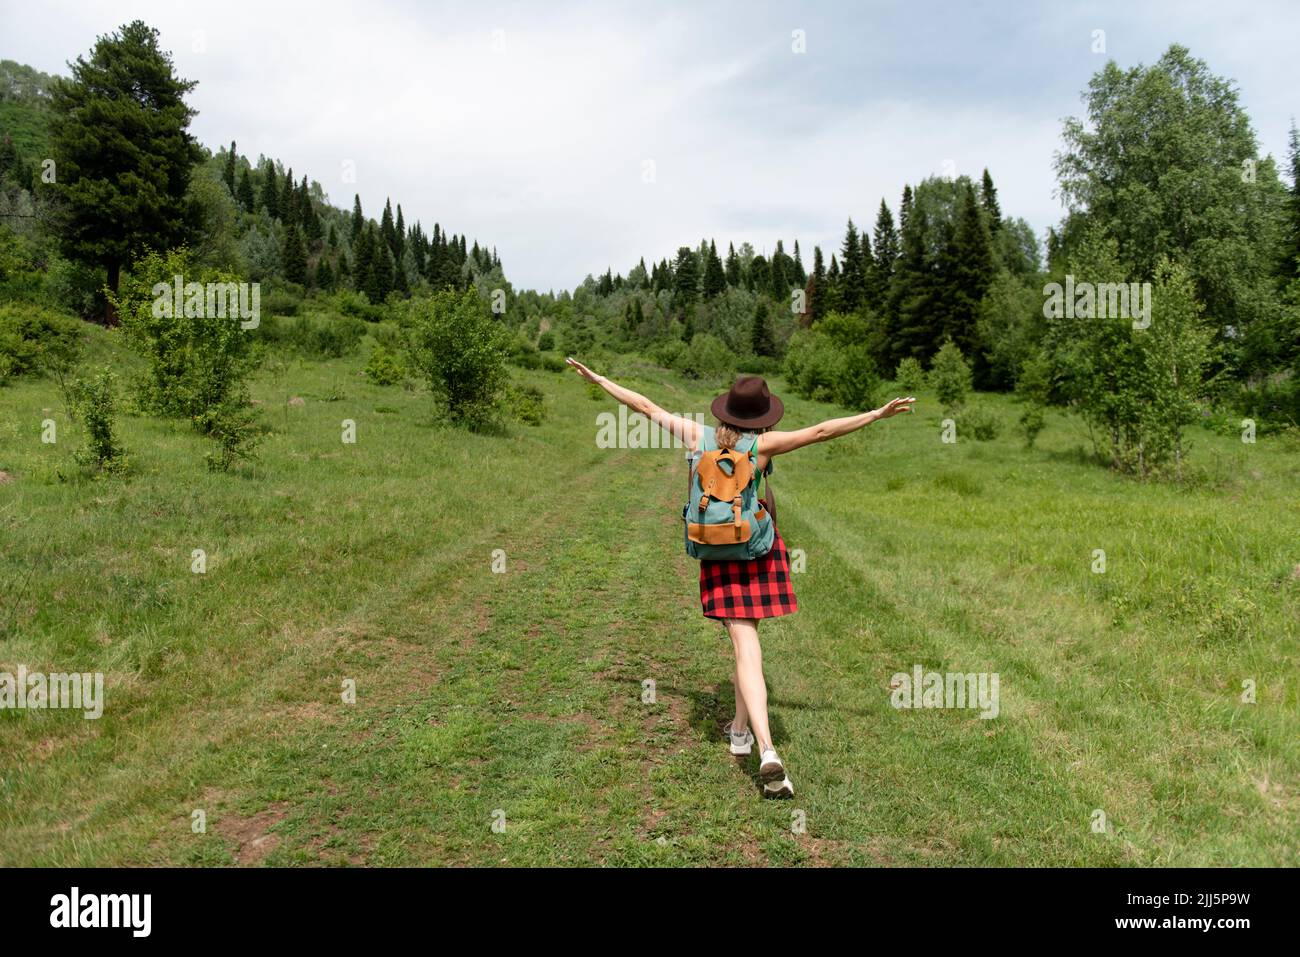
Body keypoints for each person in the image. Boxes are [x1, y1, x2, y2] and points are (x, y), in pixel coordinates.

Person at [567, 359, 914, 798]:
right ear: (762, 415)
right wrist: (875, 415)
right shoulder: (764, 446)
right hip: (755, 551)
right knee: (748, 647)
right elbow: (823, 431)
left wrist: (600, 380)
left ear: (724, 410)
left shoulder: (697, 436)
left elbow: (645, 406)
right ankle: (767, 750)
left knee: (742, 645)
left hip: (715, 553)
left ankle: (741, 733)